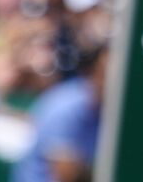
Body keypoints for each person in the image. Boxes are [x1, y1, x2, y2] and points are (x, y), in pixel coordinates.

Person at [11, 48, 105, 182]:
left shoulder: (104, 108)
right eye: (105, 74)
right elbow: (67, 176)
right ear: (93, 73)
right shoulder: (66, 108)